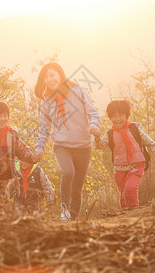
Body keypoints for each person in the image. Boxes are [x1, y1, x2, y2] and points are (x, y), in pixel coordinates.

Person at [34, 62, 101, 220]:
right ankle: (64, 210)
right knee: (68, 171)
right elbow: (44, 128)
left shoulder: (78, 92)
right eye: (45, 77)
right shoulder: (46, 104)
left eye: (52, 75)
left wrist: (93, 126)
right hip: (62, 145)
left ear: (60, 74)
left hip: (83, 146)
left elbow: (93, 113)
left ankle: (73, 219)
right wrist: (39, 148)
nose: (49, 79)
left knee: (77, 188)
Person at [95, 99, 155, 209]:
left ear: (127, 115)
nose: (117, 119)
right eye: (114, 116)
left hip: (137, 165)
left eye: (120, 115)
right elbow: (100, 146)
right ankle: (125, 215)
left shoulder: (135, 127)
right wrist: (96, 138)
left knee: (130, 188)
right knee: (124, 193)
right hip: (119, 168)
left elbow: (149, 142)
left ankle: (133, 211)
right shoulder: (110, 133)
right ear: (110, 118)